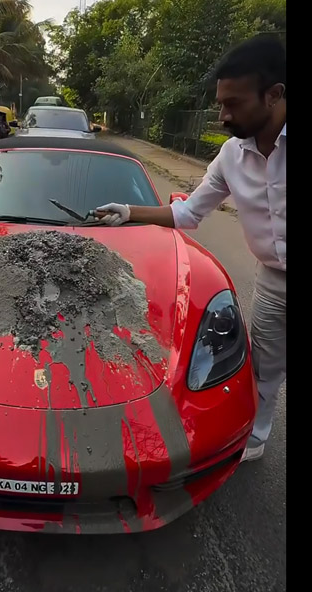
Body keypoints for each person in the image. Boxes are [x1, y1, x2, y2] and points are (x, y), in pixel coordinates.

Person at [96, 35, 286, 462]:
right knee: (264, 367)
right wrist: (128, 211)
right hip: (273, 282)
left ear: (273, 95)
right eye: (220, 104)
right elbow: (188, 212)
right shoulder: (230, 156)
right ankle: (256, 437)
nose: (222, 116)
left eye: (233, 104)